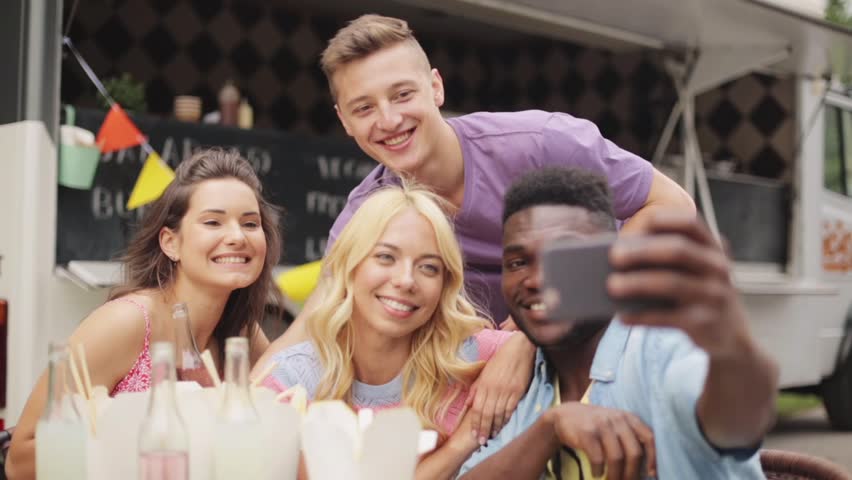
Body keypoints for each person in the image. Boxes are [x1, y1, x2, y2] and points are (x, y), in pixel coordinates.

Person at [256, 13, 696, 439]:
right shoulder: (367, 216)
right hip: (481, 397)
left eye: (403, 95)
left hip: (607, 349)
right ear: (345, 121)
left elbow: (673, 207)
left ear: (436, 87)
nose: (388, 120)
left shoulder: (539, 144)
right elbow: (312, 327)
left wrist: (531, 339)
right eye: (364, 107)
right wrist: (238, 404)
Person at [455, 167, 779, 479]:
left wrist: (732, 350)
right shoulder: (520, 380)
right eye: (518, 262)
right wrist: (550, 428)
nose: (537, 279)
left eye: (562, 258)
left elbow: (736, 420)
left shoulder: (657, 349)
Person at [5, 149, 282, 480]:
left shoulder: (243, 336)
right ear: (170, 243)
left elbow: (283, 412)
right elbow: (19, 459)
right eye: (213, 222)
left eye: (250, 223)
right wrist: (143, 434)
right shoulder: (128, 322)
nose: (237, 237)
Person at [263, 184, 531, 478]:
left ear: (444, 285)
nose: (406, 281)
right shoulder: (293, 381)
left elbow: (573, 341)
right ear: (350, 265)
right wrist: (464, 440)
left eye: (428, 267)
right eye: (386, 257)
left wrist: (526, 343)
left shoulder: (471, 356)